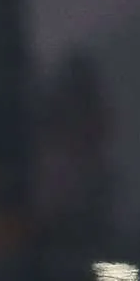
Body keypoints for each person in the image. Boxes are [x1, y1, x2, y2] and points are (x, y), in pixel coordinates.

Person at [31, 45, 113, 251]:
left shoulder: (86, 103)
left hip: (79, 167)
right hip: (66, 167)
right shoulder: (60, 102)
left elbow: (99, 131)